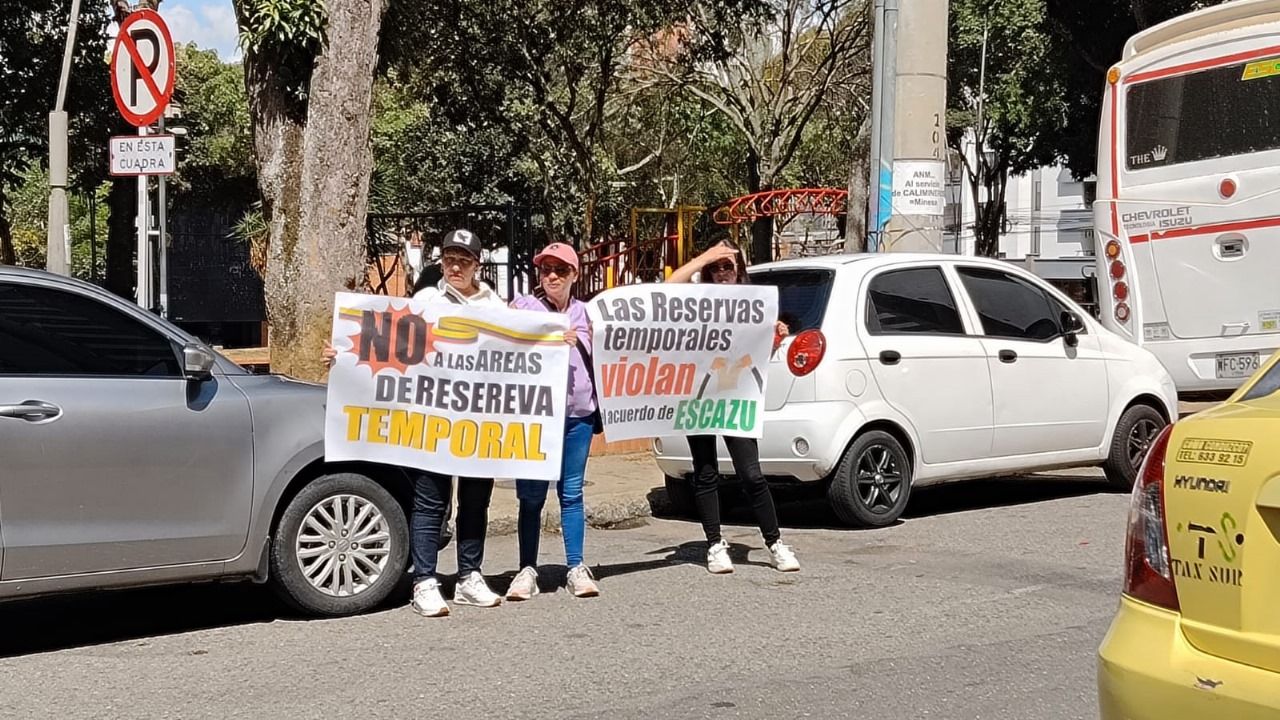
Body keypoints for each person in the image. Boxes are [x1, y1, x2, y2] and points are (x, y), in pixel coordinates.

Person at [324, 228, 506, 617]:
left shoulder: (495, 306)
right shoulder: (426, 300)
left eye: (464, 260)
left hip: (478, 420)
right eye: (449, 258)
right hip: (432, 419)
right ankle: (425, 580)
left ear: (477, 265)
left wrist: (558, 343)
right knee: (431, 502)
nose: (455, 266)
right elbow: (390, 342)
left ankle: (469, 576)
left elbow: (521, 350)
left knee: (476, 501)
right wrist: (342, 351)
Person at [665, 240, 800, 575]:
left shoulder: (753, 305)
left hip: (734, 397)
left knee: (752, 475)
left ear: (739, 269)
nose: (722, 272)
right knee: (705, 472)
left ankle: (774, 542)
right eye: (716, 267)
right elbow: (667, 289)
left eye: (728, 266)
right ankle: (714, 543)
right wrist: (706, 256)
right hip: (697, 395)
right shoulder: (698, 301)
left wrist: (776, 337)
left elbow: (758, 361)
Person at [504, 242, 601, 600]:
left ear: (575, 274)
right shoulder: (525, 307)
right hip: (535, 420)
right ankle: (526, 569)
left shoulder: (588, 315)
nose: (553, 276)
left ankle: (575, 567)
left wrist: (580, 344)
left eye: (561, 270)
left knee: (571, 493)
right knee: (530, 497)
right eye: (546, 270)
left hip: (578, 417)